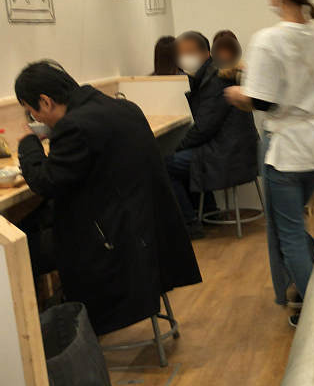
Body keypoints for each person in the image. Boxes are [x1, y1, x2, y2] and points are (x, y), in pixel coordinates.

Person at [15, 61, 201, 336]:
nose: (36, 119)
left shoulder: (74, 127)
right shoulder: (124, 108)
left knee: (21, 249)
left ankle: (51, 341)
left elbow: (46, 182)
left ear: (45, 101)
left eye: (32, 112)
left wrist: (27, 143)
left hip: (110, 244)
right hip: (145, 234)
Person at [223, 0, 314, 325]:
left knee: (288, 233)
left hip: (285, 149)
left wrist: (236, 94)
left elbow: (261, 100)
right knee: (292, 227)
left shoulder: (267, 40)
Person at [166, 30, 259, 238]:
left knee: (167, 164)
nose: (183, 58)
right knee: (187, 157)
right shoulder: (211, 75)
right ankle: (209, 211)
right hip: (233, 149)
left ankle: (190, 224)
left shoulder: (214, 80)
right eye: (180, 54)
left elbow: (204, 128)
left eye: (189, 52)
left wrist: (178, 147)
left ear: (207, 54)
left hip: (228, 154)